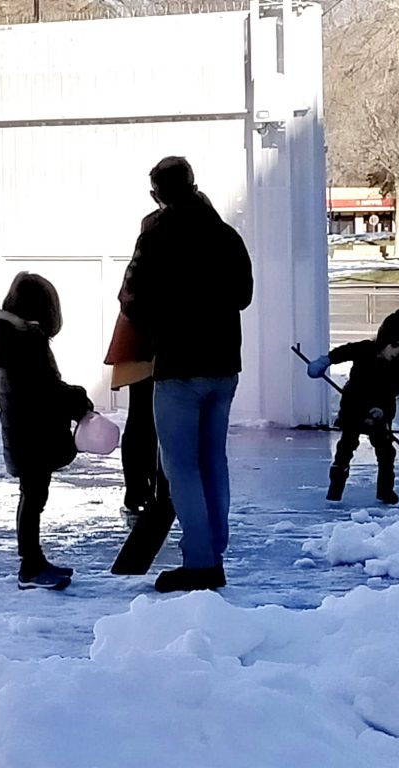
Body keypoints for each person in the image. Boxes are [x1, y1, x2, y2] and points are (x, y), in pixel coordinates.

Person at [119, 156, 253, 593]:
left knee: (181, 466)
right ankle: (215, 548)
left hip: (178, 367)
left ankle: (199, 562)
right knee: (214, 458)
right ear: (194, 184)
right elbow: (244, 295)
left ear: (158, 194)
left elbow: (132, 300)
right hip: (223, 366)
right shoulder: (225, 235)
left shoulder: (156, 236)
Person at [0, 272, 94, 591]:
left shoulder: (10, 339)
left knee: (33, 497)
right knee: (33, 499)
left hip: (25, 435)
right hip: (32, 435)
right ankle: (30, 565)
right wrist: (77, 398)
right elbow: (44, 391)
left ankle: (33, 560)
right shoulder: (26, 343)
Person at [306, 308, 399, 504]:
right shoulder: (365, 350)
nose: (396, 351)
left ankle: (385, 492)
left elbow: (392, 390)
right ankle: (335, 490)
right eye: (393, 345)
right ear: (384, 341)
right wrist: (324, 361)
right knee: (346, 446)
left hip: (381, 409)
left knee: (386, 451)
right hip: (354, 404)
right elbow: (343, 352)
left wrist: (381, 411)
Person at [103, 186, 169, 522]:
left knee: (142, 418)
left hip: (135, 340)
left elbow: (128, 296)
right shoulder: (162, 235)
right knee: (153, 419)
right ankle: (150, 490)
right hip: (148, 342)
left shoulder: (148, 236)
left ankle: (139, 489)